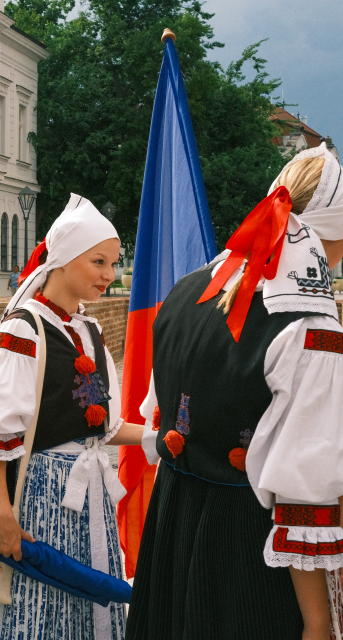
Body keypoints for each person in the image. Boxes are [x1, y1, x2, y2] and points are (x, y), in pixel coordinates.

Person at [127, 143, 343, 640]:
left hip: (174, 519)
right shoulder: (310, 328)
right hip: (249, 546)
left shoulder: (186, 290)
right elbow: (300, 488)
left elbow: (163, 415)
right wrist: (316, 621)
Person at [0, 194, 143, 640]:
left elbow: (104, 425)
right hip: (39, 497)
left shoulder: (88, 331)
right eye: (98, 261)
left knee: (81, 611)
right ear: (63, 259)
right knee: (39, 612)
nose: (109, 275)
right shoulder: (23, 329)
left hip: (89, 496)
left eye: (113, 264)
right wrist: (1, 513)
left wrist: (160, 437)